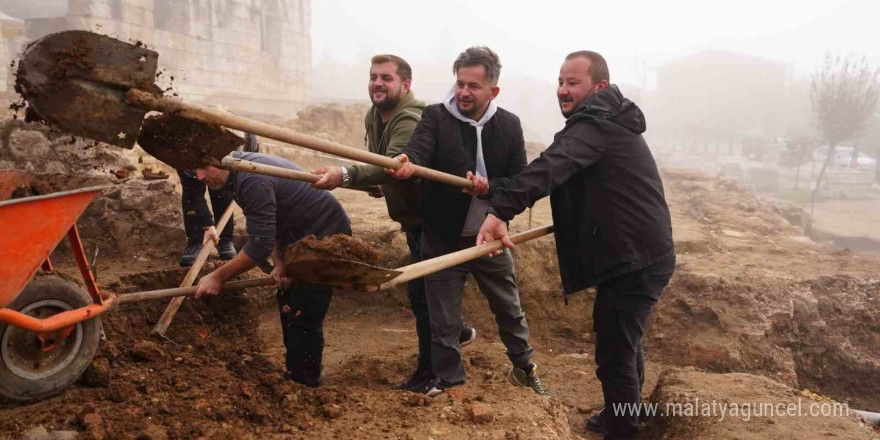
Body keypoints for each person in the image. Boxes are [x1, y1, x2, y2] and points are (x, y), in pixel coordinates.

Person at [476, 51, 675, 440]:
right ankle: (624, 411)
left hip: (635, 256)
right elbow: (556, 170)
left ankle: (623, 429)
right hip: (637, 252)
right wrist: (496, 188)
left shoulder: (596, 126)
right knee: (622, 339)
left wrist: (500, 209)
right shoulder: (604, 121)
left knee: (616, 347)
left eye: (573, 83)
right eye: (561, 82)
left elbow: (552, 167)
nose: (563, 91)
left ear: (599, 87)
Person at [387, 46, 548, 397]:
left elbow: (520, 180)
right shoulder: (435, 117)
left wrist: (492, 186)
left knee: (510, 310)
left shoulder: (509, 125)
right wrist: (406, 161)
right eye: (460, 83)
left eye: (473, 86)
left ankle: (524, 369)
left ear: (493, 91)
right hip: (442, 237)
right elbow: (418, 152)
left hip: (489, 239)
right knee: (442, 320)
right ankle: (449, 381)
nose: (463, 92)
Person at [310, 54, 476, 392]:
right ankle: (456, 330)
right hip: (415, 220)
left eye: (386, 78)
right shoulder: (377, 115)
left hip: (436, 220)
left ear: (405, 85)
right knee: (427, 294)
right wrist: (371, 183)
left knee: (423, 295)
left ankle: (432, 372)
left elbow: (392, 162)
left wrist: (343, 174)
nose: (377, 83)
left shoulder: (410, 117)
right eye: (373, 77)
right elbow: (381, 170)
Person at [192, 150, 351, 387]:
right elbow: (273, 224)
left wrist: (218, 276)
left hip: (326, 235)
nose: (200, 176)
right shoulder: (241, 174)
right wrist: (279, 263)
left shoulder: (251, 179)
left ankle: (307, 380)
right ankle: (296, 373)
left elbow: (258, 245)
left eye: (204, 167)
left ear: (222, 159)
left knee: (304, 309)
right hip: (297, 235)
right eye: (196, 170)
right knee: (288, 304)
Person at [177, 133, 260, 266]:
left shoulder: (237, 140)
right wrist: (207, 223)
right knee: (191, 191)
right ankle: (196, 241)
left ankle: (225, 240)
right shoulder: (183, 150)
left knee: (222, 189)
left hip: (217, 144)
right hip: (188, 146)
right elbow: (192, 192)